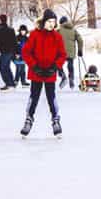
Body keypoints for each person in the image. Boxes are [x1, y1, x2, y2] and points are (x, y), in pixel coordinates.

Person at [19, 9, 67, 138]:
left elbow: (62, 54)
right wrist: (34, 66)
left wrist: (55, 67)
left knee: (51, 97)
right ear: (44, 22)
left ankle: (56, 120)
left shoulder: (57, 36)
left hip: (50, 72)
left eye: (54, 22)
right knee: (34, 96)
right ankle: (29, 119)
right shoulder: (35, 35)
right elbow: (26, 52)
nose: (52, 24)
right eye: (49, 21)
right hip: (37, 72)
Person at [57, 16, 83, 89]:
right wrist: (80, 50)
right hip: (71, 51)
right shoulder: (73, 29)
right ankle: (71, 78)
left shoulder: (58, 30)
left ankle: (63, 76)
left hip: (60, 51)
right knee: (70, 64)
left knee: (58, 64)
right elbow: (80, 40)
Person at [0, 14, 18, 90]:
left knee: (1, 67)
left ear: (0, 20)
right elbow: (15, 42)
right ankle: (12, 83)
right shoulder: (11, 29)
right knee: (6, 67)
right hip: (10, 51)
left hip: (5, 51)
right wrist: (15, 52)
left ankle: (8, 83)